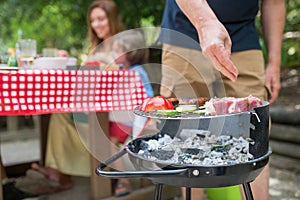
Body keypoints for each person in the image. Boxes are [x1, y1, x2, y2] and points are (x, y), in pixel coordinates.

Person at [158, 0, 286, 199]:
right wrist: (205, 23)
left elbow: (275, 2)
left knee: (255, 137)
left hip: (244, 39)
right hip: (184, 32)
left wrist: (274, 63)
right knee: (187, 134)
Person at [26, 0, 126, 195]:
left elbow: (121, 77)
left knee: (67, 115)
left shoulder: (121, 44)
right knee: (58, 114)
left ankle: (63, 173)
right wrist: (66, 59)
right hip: (92, 106)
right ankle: (59, 172)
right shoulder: (96, 47)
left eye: (101, 19)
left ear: (111, 19)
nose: (96, 24)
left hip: (115, 110)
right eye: (93, 20)